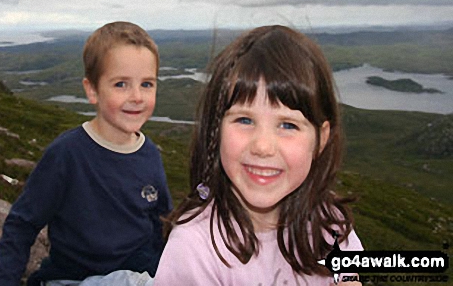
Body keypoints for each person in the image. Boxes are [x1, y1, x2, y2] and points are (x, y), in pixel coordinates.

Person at [154, 25, 363, 286]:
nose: (263, 146)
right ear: (215, 131)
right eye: (244, 119)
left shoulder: (332, 225)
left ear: (320, 139)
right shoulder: (195, 248)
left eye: (288, 125)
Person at [0, 22, 172, 286]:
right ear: (92, 90)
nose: (137, 96)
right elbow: (21, 225)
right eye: (121, 84)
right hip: (74, 279)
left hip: (140, 275)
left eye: (147, 84)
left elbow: (162, 227)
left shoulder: (149, 155)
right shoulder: (67, 154)